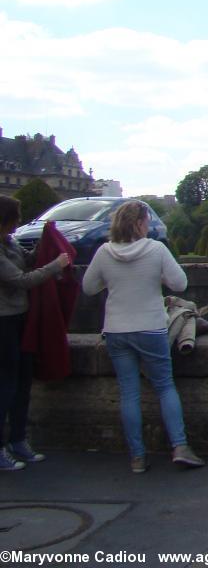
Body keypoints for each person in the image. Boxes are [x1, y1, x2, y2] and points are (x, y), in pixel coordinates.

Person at [81, 200, 204, 473]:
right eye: (146, 221)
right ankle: (180, 446)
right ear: (138, 224)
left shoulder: (104, 252)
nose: (149, 226)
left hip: (116, 329)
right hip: (150, 326)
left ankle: (137, 457)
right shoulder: (156, 249)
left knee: (129, 393)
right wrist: (156, 277)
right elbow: (180, 284)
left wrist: (113, 281)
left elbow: (88, 287)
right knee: (165, 386)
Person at [0, 195, 70, 471]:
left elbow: (28, 262)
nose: (19, 222)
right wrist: (55, 265)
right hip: (4, 322)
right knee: (6, 385)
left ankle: (18, 440)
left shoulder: (10, 243)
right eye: (16, 218)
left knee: (22, 382)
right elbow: (22, 280)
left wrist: (45, 244)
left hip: (20, 319)